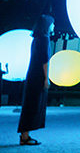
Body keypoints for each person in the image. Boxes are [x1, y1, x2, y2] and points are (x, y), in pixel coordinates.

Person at [17, 14, 54, 145]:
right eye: (52, 23)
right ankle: (25, 137)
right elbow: (45, 60)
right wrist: (46, 78)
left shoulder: (37, 39)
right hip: (38, 75)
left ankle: (25, 135)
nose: (54, 26)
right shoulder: (44, 39)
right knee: (33, 105)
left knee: (30, 104)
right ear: (47, 25)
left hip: (32, 74)